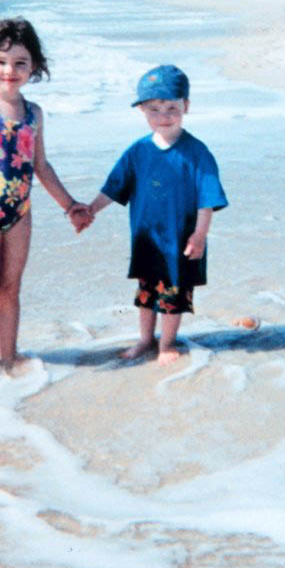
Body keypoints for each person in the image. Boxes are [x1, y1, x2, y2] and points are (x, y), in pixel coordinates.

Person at [0, 17, 90, 380]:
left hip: (20, 214)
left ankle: (9, 357)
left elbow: (40, 166)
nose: (9, 70)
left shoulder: (35, 114)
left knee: (10, 289)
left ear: (34, 67)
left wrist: (70, 206)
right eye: (1, 61)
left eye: (20, 63)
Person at [88, 65, 228, 365]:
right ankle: (144, 340)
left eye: (171, 108)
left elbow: (208, 199)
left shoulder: (197, 152)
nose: (163, 116)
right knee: (146, 295)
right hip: (146, 239)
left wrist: (200, 235)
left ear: (186, 106)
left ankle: (166, 343)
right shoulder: (137, 151)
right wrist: (89, 210)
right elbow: (113, 188)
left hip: (181, 242)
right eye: (154, 109)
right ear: (141, 110)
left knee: (174, 297)